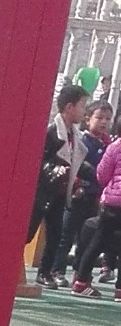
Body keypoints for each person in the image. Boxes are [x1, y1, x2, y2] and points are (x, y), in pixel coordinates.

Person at [28, 82, 84, 286]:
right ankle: (7, 264)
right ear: (69, 107)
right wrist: (53, 169)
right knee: (27, 232)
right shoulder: (52, 132)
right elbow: (39, 160)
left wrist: (76, 182)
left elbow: (74, 163)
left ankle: (45, 272)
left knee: (55, 234)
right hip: (44, 191)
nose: (83, 111)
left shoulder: (74, 135)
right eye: (82, 106)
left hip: (60, 192)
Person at [57, 97, 113, 275]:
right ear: (87, 119)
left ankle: (80, 272)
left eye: (107, 119)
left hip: (95, 197)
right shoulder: (81, 141)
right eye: (99, 117)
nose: (104, 122)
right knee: (66, 235)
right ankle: (57, 270)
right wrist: (77, 185)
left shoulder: (108, 145)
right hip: (78, 194)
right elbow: (74, 165)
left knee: (87, 237)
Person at [68, 119, 121, 296]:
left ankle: (81, 281)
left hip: (112, 203)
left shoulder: (113, 147)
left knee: (97, 241)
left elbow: (101, 175)